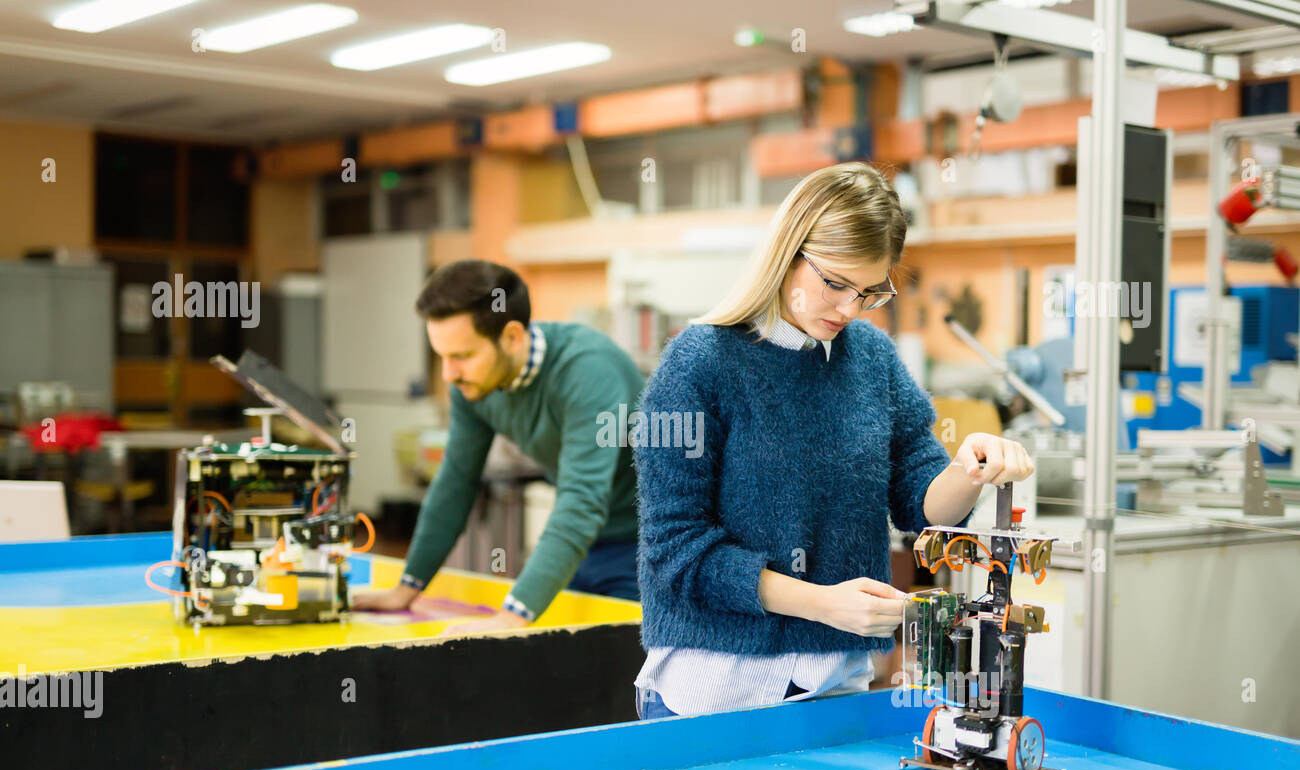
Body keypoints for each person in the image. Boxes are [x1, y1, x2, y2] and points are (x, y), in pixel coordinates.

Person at [633, 162, 1034, 719]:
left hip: (835, 684)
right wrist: (822, 604)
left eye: (871, 291)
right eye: (835, 283)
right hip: (714, 690)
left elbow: (922, 505)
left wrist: (970, 468)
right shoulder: (700, 364)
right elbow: (676, 553)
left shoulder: (869, 358)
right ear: (788, 251)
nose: (849, 308)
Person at [354, 259, 644, 635]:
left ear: (512, 337)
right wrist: (406, 588)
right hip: (586, 547)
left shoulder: (588, 371)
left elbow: (581, 501)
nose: (449, 374)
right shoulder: (473, 386)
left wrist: (511, 617)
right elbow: (455, 482)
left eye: (461, 356)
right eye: (442, 356)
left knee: (623, 675)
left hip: (648, 546)